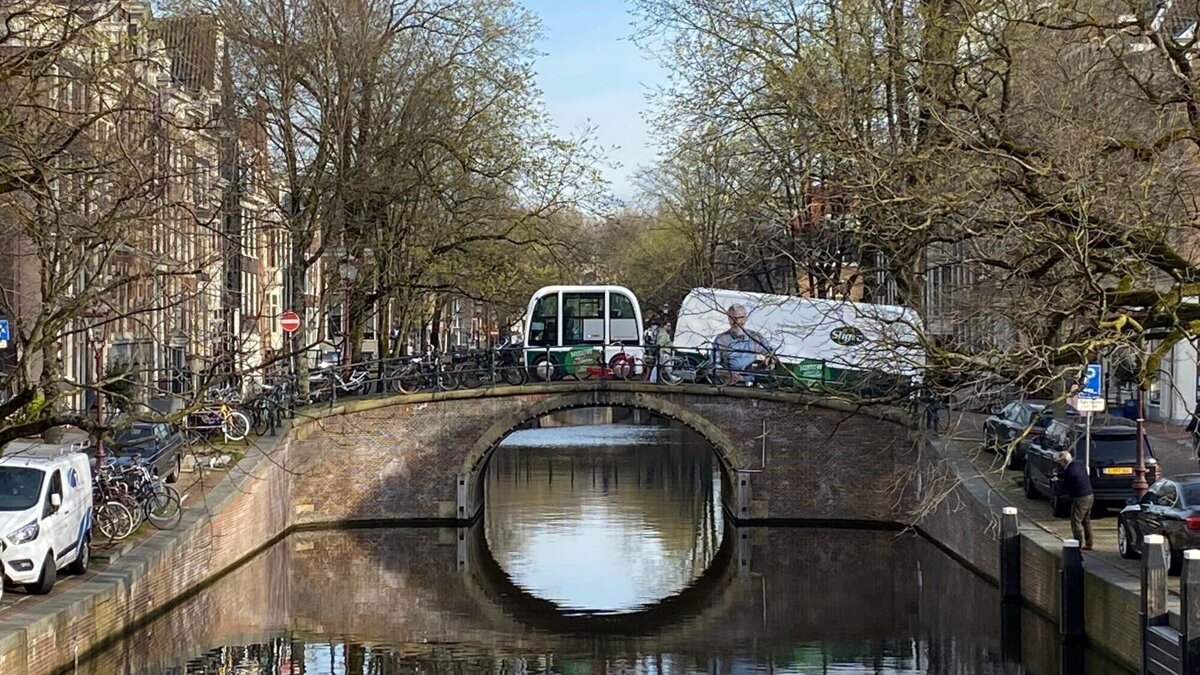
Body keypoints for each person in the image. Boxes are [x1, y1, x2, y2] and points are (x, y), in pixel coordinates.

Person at [713, 304, 775, 384]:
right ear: (728, 318)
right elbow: (714, 365)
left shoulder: (754, 337)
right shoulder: (721, 340)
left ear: (746, 318)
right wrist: (728, 374)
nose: (737, 321)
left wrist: (769, 358)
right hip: (729, 384)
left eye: (741, 317)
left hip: (752, 384)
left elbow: (770, 351)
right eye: (733, 318)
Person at [1053, 450, 1094, 550]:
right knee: (1086, 521)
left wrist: (1056, 481)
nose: (1060, 465)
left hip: (1080, 498)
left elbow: (1065, 485)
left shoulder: (1070, 471)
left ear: (1064, 461)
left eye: (1060, 463)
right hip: (1090, 495)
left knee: (1076, 522)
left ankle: (1077, 545)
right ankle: (1089, 543)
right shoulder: (1079, 464)